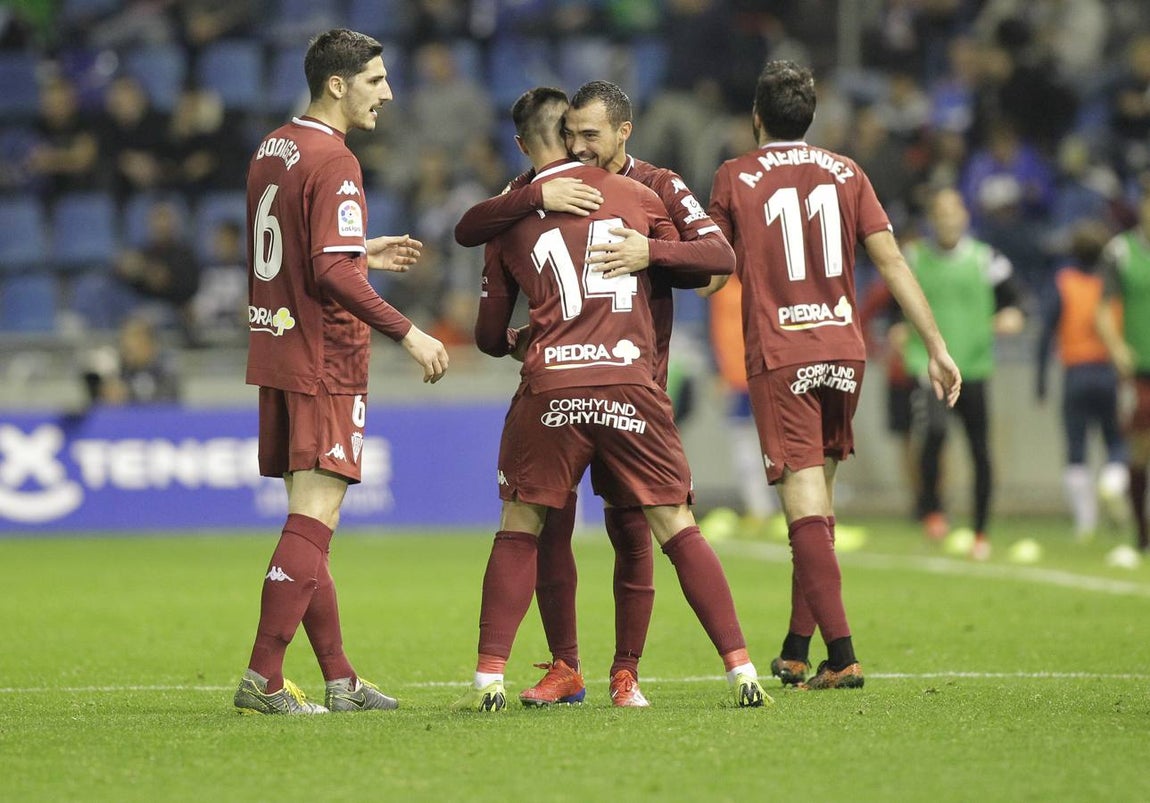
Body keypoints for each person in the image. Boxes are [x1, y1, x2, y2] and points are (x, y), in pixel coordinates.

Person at [452, 86, 766, 712]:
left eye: (590, 134)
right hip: (629, 386)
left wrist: (653, 251)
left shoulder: (656, 185)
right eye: (571, 133)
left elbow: (718, 257)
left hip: (586, 383)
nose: (578, 145)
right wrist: (537, 193)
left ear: (624, 132)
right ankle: (572, 667)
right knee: (591, 528)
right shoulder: (558, 192)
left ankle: (622, 672)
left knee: (607, 529)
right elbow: (473, 224)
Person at [701, 61, 962, 690]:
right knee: (815, 503)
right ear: (810, 118)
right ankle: (797, 648)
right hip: (844, 351)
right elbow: (892, 260)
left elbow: (711, 274)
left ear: (756, 117)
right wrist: (936, 344)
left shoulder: (735, 176)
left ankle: (842, 656)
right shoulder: (849, 171)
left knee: (804, 504)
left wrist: (648, 259)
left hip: (783, 352)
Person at [234, 28, 449, 716]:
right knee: (315, 518)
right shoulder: (337, 159)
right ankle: (264, 675)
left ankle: (339, 676)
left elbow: (308, 248)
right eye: (376, 80)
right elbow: (328, 272)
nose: (387, 92)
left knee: (309, 514)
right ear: (338, 84)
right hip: (326, 356)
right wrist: (409, 331)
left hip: (278, 343)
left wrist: (357, 248)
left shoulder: (275, 146)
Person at [901, 187, 1025, 560]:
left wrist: (1012, 316)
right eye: (940, 213)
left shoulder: (986, 259)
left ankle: (981, 530)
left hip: (973, 365)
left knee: (979, 449)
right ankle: (933, 509)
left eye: (953, 212)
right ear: (932, 219)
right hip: (929, 366)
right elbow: (893, 298)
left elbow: (1015, 301)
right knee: (933, 434)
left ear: (965, 217)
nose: (947, 220)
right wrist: (894, 326)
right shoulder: (914, 257)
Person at [1036, 220, 1128, 540]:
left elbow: (1045, 334)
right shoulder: (1113, 285)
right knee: (1116, 441)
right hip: (1107, 372)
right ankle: (1113, 482)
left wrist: (1040, 381)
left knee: (1076, 448)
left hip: (1075, 373)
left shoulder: (1063, 283)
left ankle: (1085, 522)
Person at [1097, 193, 1150, 558]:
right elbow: (1102, 310)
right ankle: (1142, 534)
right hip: (1140, 368)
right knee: (1140, 448)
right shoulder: (1121, 251)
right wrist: (1116, 348)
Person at [81, 314, 182, 406]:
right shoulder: (117, 370)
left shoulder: (164, 371)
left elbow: (167, 404)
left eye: (136, 337)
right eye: (125, 337)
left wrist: (128, 395)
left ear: (151, 343)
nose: (129, 344)